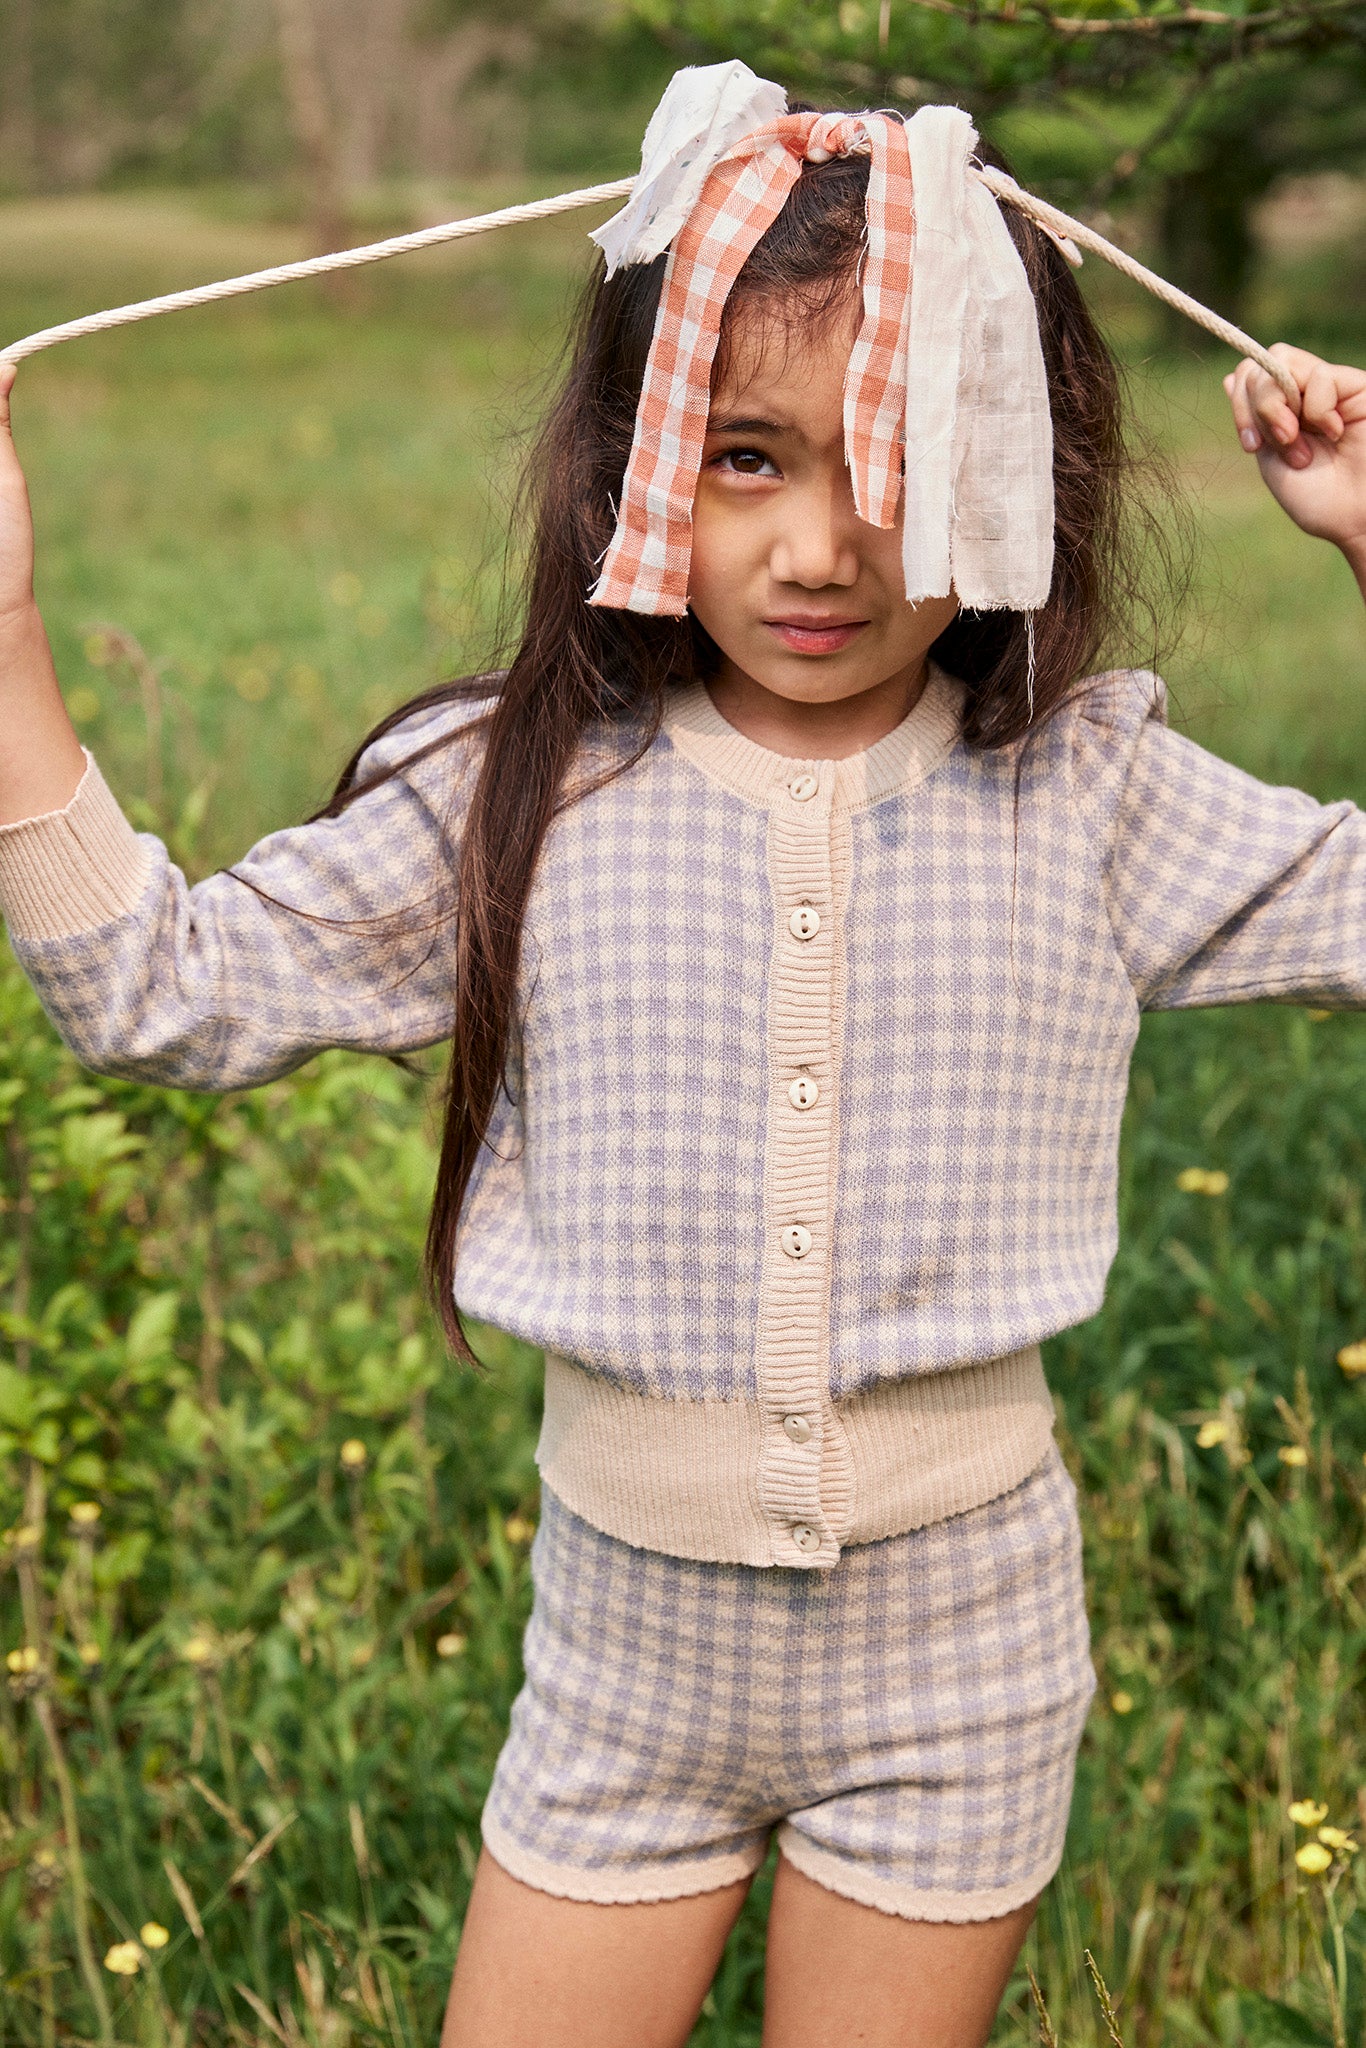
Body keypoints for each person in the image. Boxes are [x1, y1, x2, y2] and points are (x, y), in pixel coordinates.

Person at [1, 63, 1364, 2048]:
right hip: (623, 1661)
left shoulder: (1087, 795)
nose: (818, 546)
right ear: (631, 466)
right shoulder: (512, 788)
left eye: (885, 456)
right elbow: (152, 991)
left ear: (1001, 466)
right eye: (743, 457)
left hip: (962, 1647)